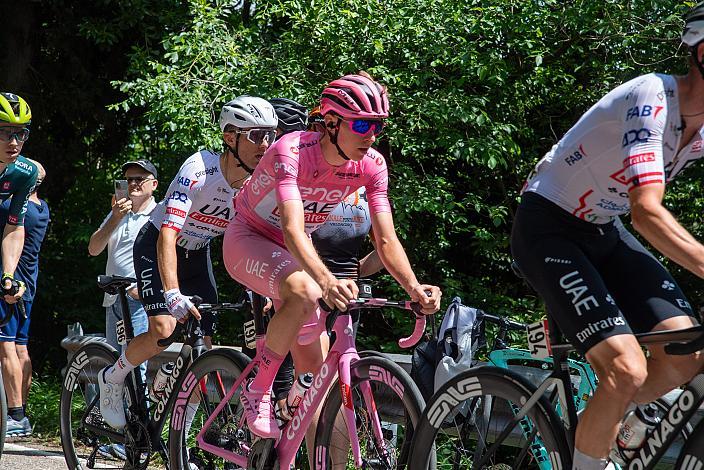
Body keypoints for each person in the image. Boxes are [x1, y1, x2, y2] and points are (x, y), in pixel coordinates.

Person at [511, 4, 704, 469]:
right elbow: (647, 213)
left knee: (687, 352)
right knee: (625, 368)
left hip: (602, 228)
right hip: (548, 226)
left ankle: (606, 418)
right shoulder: (652, 97)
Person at [223, 73, 442, 447]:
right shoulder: (290, 151)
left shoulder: (371, 165)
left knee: (315, 377)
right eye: (361, 124)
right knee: (307, 290)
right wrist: (327, 281)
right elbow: (292, 230)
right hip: (251, 237)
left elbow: (386, 239)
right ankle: (257, 388)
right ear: (331, 123)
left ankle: (287, 448)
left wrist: (414, 287)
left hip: (295, 252)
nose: (370, 135)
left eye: (377, 126)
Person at [97, 96, 278, 430]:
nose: (265, 143)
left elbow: (250, 242)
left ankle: (177, 440)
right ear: (230, 137)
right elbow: (167, 234)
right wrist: (172, 293)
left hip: (198, 253)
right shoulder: (198, 171)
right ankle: (112, 376)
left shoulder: (257, 184)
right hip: (157, 245)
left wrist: (265, 288)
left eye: (270, 134)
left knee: (204, 352)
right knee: (163, 330)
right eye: (256, 135)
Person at [88, 160, 159, 379]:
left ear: (154, 184)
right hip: (113, 298)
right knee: (113, 363)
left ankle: (139, 413)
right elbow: (93, 248)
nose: (133, 184)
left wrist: (147, 289)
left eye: (140, 179)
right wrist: (116, 217)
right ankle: (116, 412)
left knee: (136, 366)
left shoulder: (160, 214)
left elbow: (167, 256)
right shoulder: (117, 212)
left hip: (139, 299)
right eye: (129, 180)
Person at [0, 160, 48, 437]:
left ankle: (15, 414)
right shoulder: (43, 209)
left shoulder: (20, 210)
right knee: (20, 348)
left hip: (11, 284)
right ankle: (22, 412)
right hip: (28, 284)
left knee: (5, 347)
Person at [0, 93, 38, 307]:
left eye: (20, 134)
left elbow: (14, 226)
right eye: (4, 133)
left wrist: (8, 275)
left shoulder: (25, 172)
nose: (14, 142)